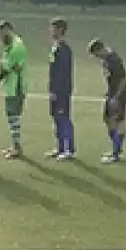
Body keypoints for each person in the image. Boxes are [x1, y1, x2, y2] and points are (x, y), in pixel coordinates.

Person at [0, 20, 29, 159]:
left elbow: (9, 69)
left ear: (10, 30)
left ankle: (17, 148)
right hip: (11, 87)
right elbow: (3, 68)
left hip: (16, 87)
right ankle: (15, 145)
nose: (1, 36)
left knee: (13, 117)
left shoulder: (17, 47)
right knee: (11, 116)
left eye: (4, 32)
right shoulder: (9, 46)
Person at [88, 38, 126, 164]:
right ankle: (116, 148)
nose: (96, 57)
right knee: (108, 119)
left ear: (100, 49)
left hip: (119, 95)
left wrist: (116, 97)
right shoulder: (106, 59)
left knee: (117, 121)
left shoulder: (114, 60)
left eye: (96, 54)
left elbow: (123, 80)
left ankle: (115, 153)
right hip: (112, 93)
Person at [46, 18, 75, 160]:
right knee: (57, 118)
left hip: (61, 91)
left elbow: (62, 73)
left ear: (60, 30)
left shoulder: (63, 49)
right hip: (55, 91)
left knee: (63, 118)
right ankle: (60, 148)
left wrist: (56, 91)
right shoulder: (55, 47)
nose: (50, 31)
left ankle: (69, 149)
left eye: (53, 28)